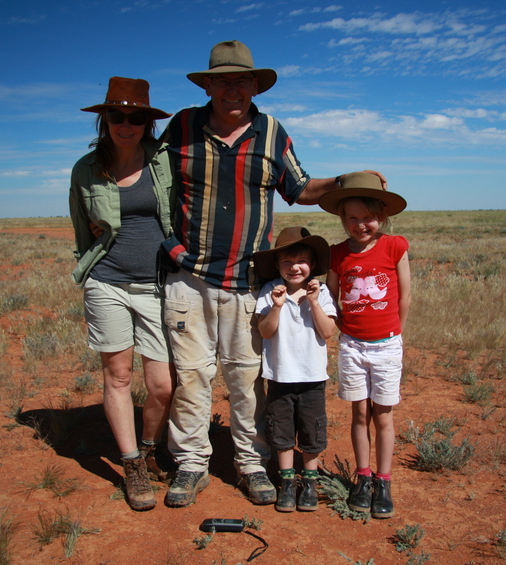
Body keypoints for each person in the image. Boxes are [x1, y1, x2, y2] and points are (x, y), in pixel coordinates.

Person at [160, 39, 386, 508]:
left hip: (246, 281)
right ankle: (190, 464)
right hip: (188, 276)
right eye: (222, 81)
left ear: (254, 85)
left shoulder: (271, 133)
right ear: (209, 85)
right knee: (192, 376)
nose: (232, 89)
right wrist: (168, 244)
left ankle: (251, 463)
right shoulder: (181, 127)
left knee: (247, 380)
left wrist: (347, 181)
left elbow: (300, 188)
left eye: (241, 80)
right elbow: (153, 183)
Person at [69, 76, 176, 511]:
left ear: (148, 123)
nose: (126, 124)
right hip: (107, 281)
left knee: (163, 385)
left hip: (156, 283)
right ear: (105, 119)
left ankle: (149, 448)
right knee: (117, 375)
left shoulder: (164, 160)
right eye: (117, 115)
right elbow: (82, 228)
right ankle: (131, 464)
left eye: (136, 117)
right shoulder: (86, 169)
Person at [321, 172, 410, 519]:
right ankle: (362, 476)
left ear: (382, 217)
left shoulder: (395, 246)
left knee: (382, 415)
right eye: (352, 218)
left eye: (368, 217)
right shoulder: (337, 254)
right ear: (342, 219)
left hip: (387, 345)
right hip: (352, 347)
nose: (361, 225)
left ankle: (383, 480)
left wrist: (394, 333)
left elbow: (405, 296)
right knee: (359, 413)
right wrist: (346, 329)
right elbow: (331, 299)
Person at [253, 227, 337, 512]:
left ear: (312, 265)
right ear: (278, 266)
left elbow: (327, 331)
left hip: (313, 377)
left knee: (312, 431)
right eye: (287, 262)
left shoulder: (321, 291)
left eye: (301, 260)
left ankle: (310, 481)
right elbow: (265, 332)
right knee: (282, 430)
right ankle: (288, 482)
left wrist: (313, 302)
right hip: (280, 376)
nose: (294, 267)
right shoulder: (269, 291)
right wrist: (276, 307)